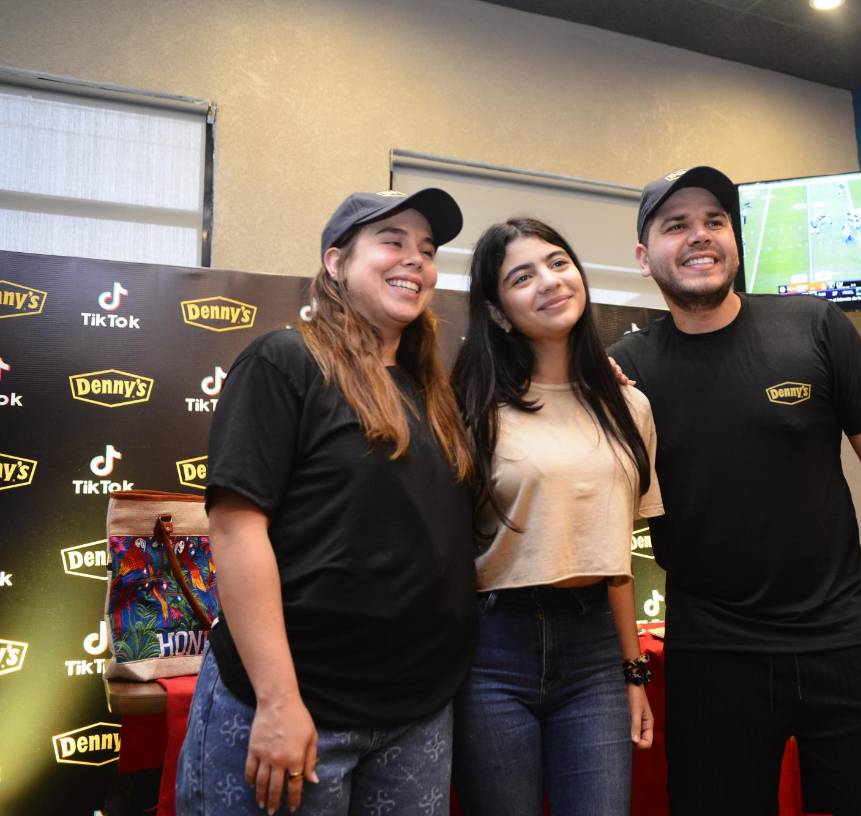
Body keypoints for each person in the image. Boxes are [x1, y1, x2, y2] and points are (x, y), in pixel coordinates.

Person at [609, 167, 861, 815]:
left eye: (714, 221)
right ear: (644, 258)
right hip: (712, 650)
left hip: (844, 636)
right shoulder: (628, 370)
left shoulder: (812, 325)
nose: (700, 237)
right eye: (676, 226)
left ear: (735, 239)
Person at [177, 189, 476, 816]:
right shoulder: (285, 361)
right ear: (336, 263)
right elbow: (235, 532)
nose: (415, 261)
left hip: (415, 717)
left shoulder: (435, 392)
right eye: (392, 242)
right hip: (298, 707)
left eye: (426, 250)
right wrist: (279, 701)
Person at [450, 217, 664, 816]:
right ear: (497, 312)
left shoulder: (629, 406)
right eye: (522, 276)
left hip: (592, 648)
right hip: (492, 648)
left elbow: (616, 555)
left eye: (558, 262)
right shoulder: (471, 408)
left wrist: (633, 673)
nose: (549, 280)